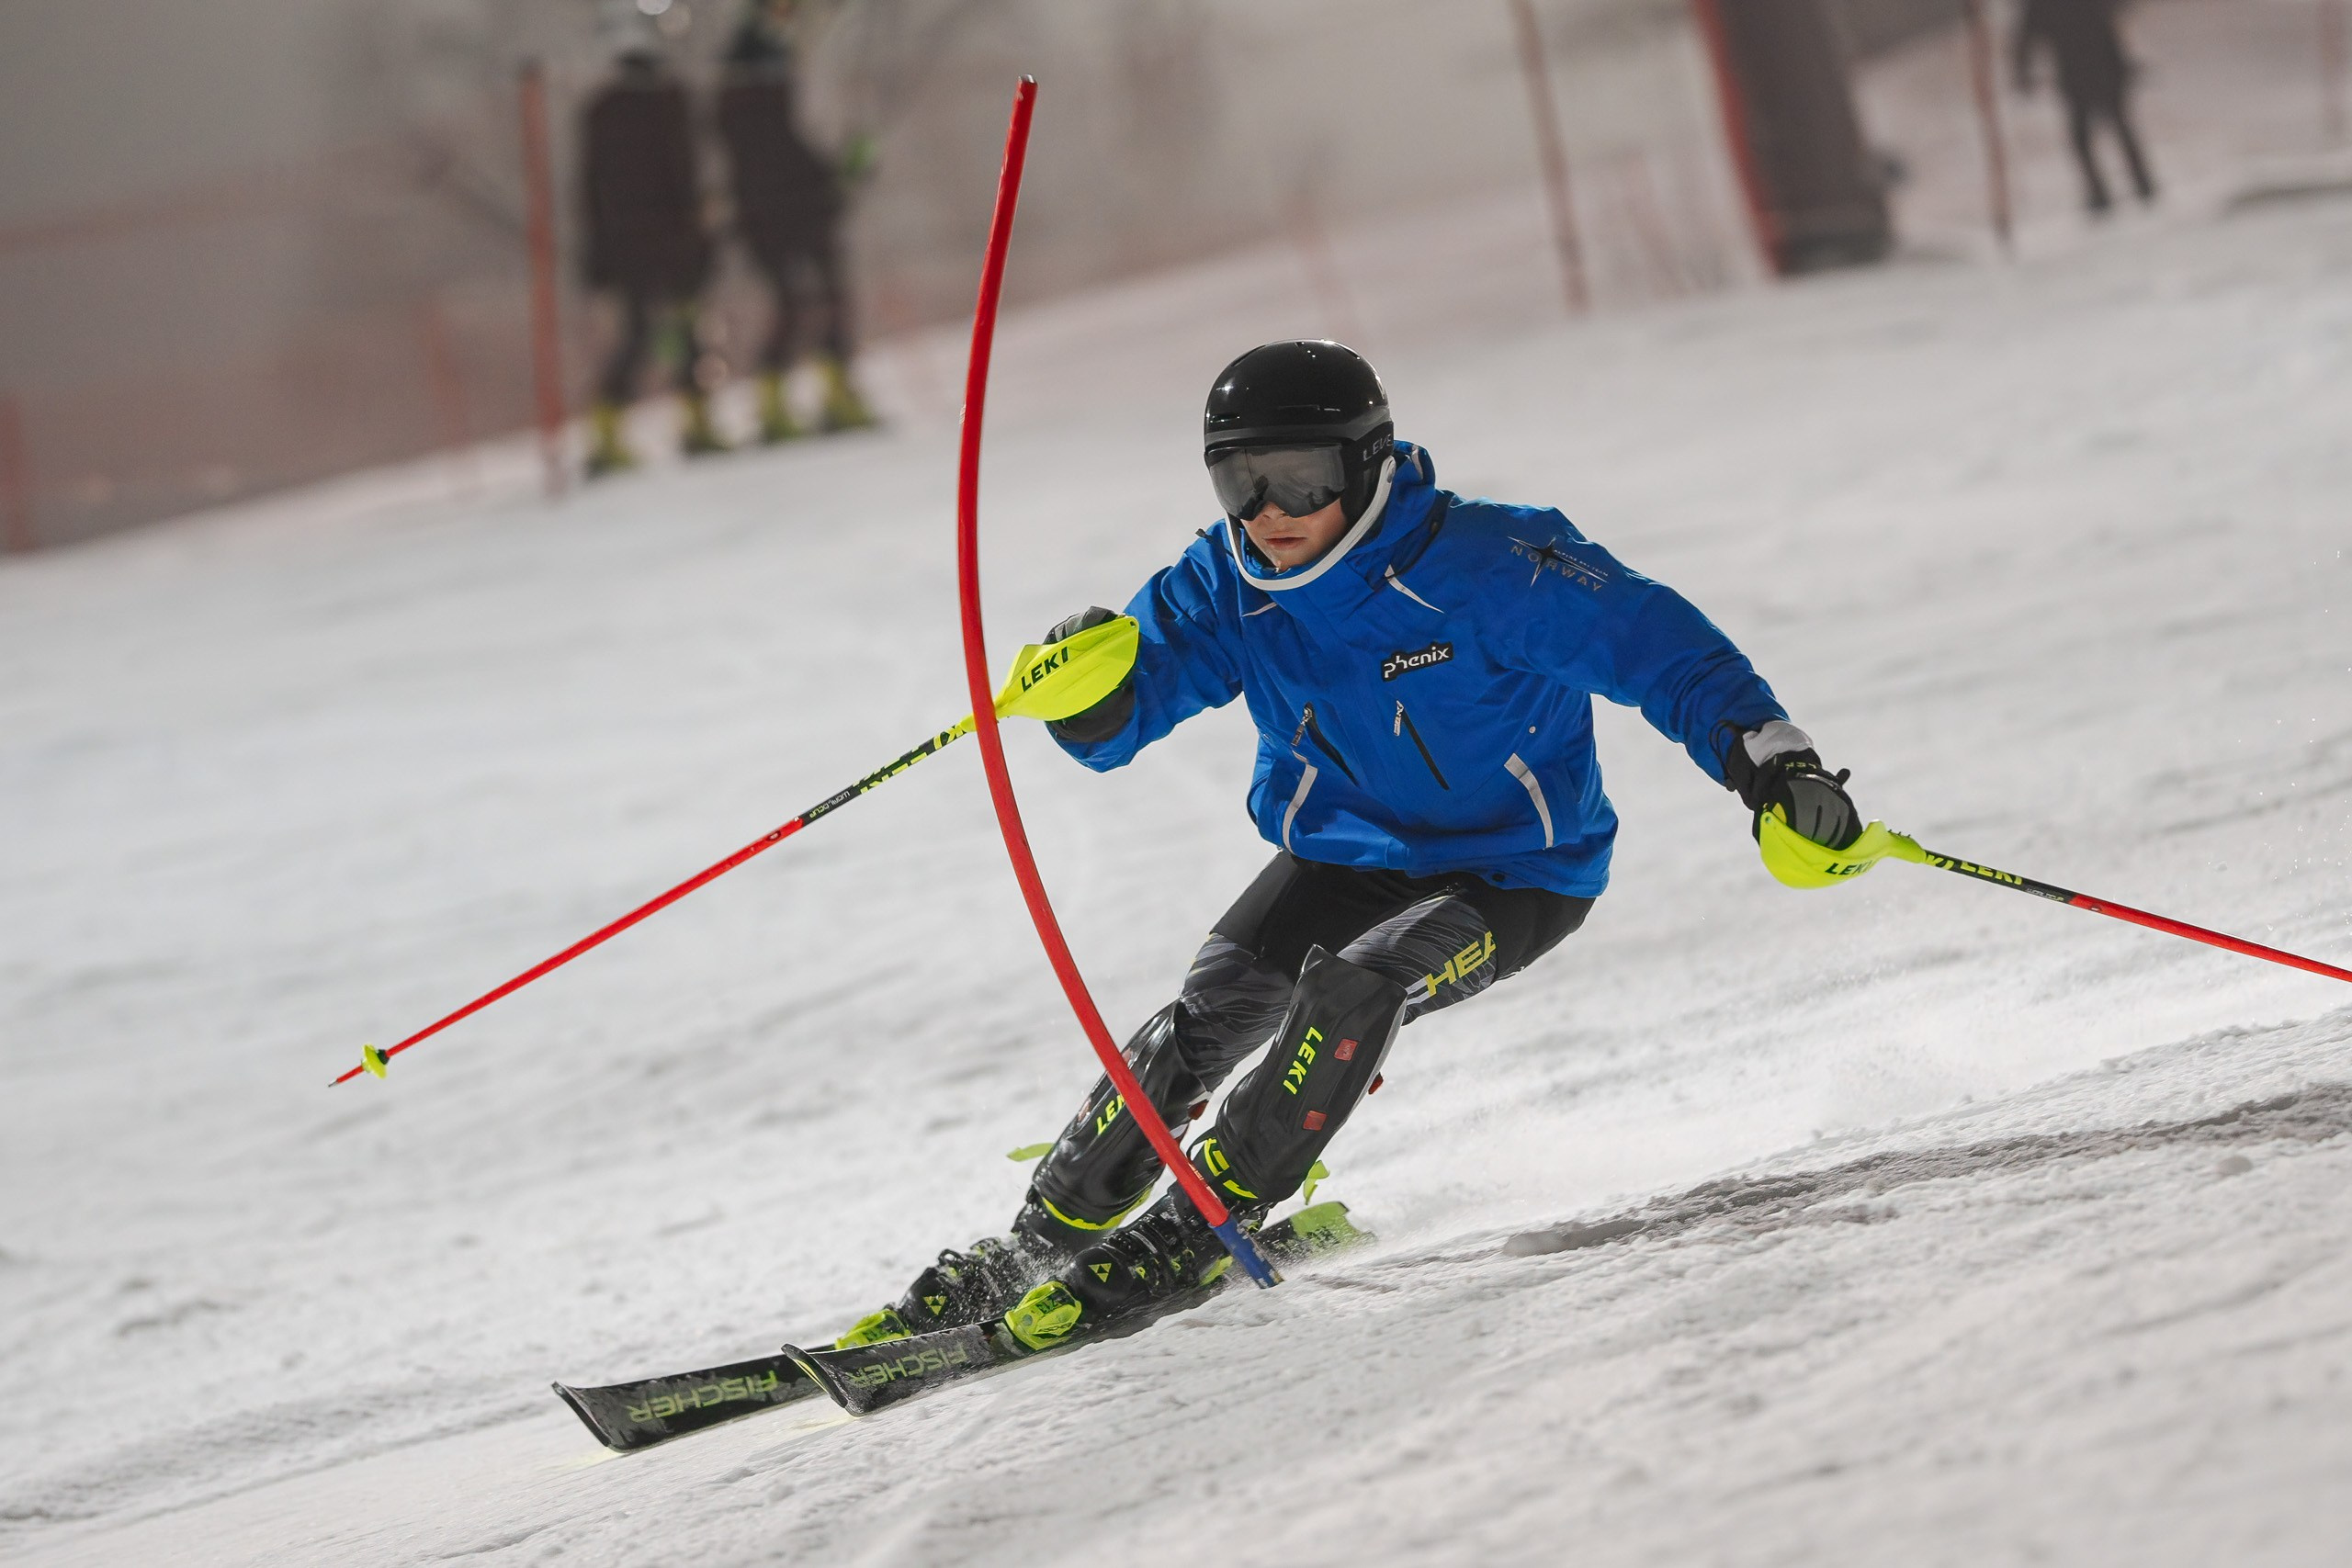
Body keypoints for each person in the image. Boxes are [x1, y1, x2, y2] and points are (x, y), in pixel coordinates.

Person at [837, 341, 1863, 1351]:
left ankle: (1208, 1214)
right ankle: (1038, 1244)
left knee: (1360, 987)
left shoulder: (1490, 566)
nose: (1267, 513)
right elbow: (1125, 714)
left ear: (1367, 462)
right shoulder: (1224, 582)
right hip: (1342, 855)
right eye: (1239, 480)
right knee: (1197, 1024)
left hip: (1513, 868)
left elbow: (1662, 651)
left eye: (1296, 478)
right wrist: (1088, 689)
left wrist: (1774, 766)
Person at [716, 0, 876, 441]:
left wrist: (839, 171)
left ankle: (836, 391)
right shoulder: (749, 76)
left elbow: (804, 138)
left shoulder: (788, 62)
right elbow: (775, 150)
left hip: (802, 207)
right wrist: (829, 175)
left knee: (828, 296)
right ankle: (774, 402)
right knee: (797, 301)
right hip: (775, 211)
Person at [580, 29, 724, 475]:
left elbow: (589, 189)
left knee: (659, 332)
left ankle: (616, 430)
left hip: (632, 246)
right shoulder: (666, 102)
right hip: (667, 242)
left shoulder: (602, 112)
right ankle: (689, 424)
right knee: (671, 331)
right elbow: (687, 175)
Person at [2015, 0, 2157, 215]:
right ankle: (2133, 186)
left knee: (2092, 135)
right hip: (2097, 67)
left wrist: (2022, 72)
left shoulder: (2040, 6)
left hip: (2083, 71)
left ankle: (2116, 191)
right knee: (2109, 130)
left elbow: (2026, 37)